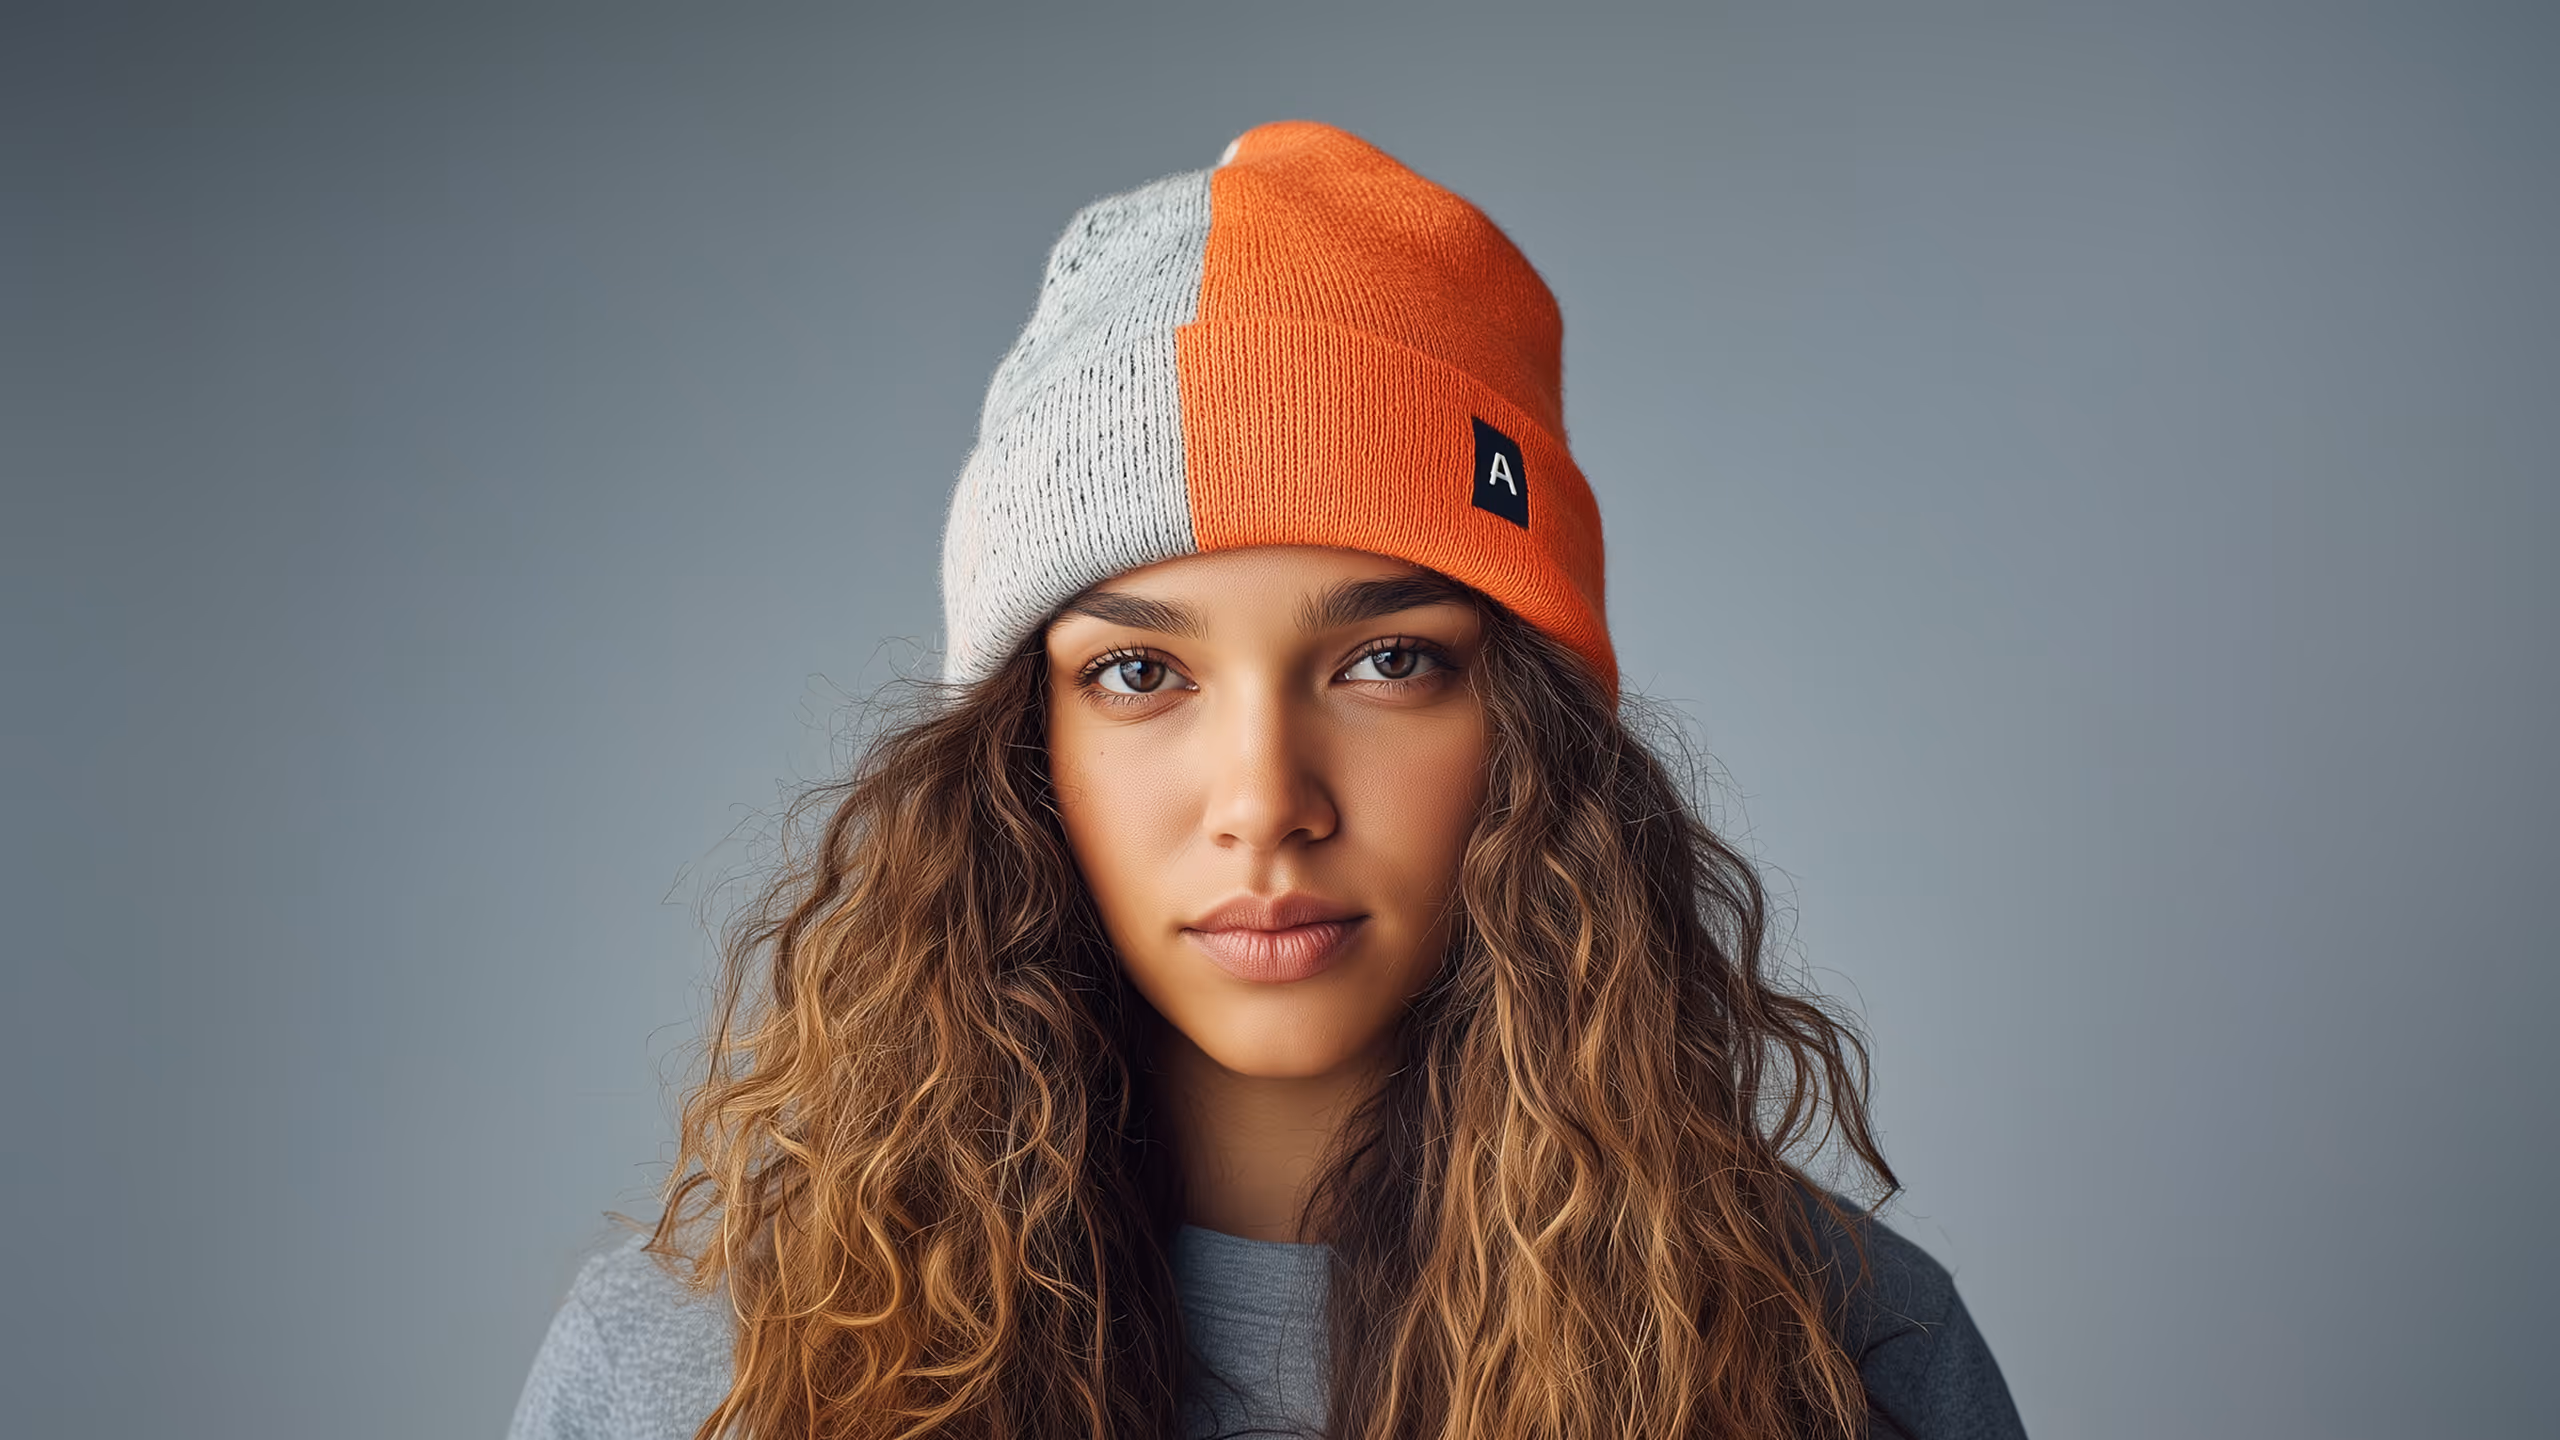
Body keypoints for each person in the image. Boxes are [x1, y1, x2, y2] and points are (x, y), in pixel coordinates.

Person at [506, 119, 2027, 1440]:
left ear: (1534, 736)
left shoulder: (1841, 1363)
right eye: (1138, 673)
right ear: (1017, 758)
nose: (1264, 799)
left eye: (1387, 663)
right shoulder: (700, 1377)